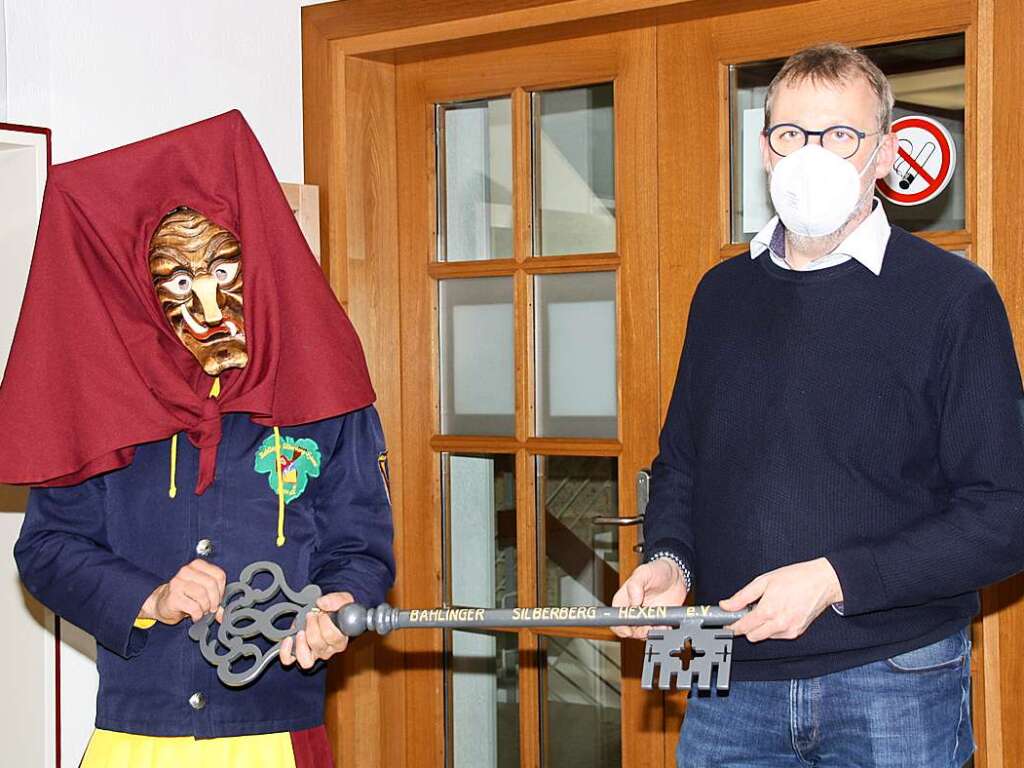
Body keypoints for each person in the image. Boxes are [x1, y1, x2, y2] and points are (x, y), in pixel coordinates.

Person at [613, 43, 1024, 767]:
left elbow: (1005, 515)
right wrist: (670, 561)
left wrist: (834, 578)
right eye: (792, 135)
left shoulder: (953, 298)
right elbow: (681, 464)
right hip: (723, 666)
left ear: (885, 154)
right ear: (766, 152)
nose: (813, 155)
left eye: (840, 136)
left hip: (895, 675)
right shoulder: (720, 294)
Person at [3, 110, 395, 767]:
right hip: (137, 737)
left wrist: (340, 601)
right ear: (141, 288)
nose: (209, 305)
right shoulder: (102, 400)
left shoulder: (321, 392)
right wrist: (148, 596)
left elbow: (360, 542)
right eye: (180, 280)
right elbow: (45, 547)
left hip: (276, 734)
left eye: (222, 270)